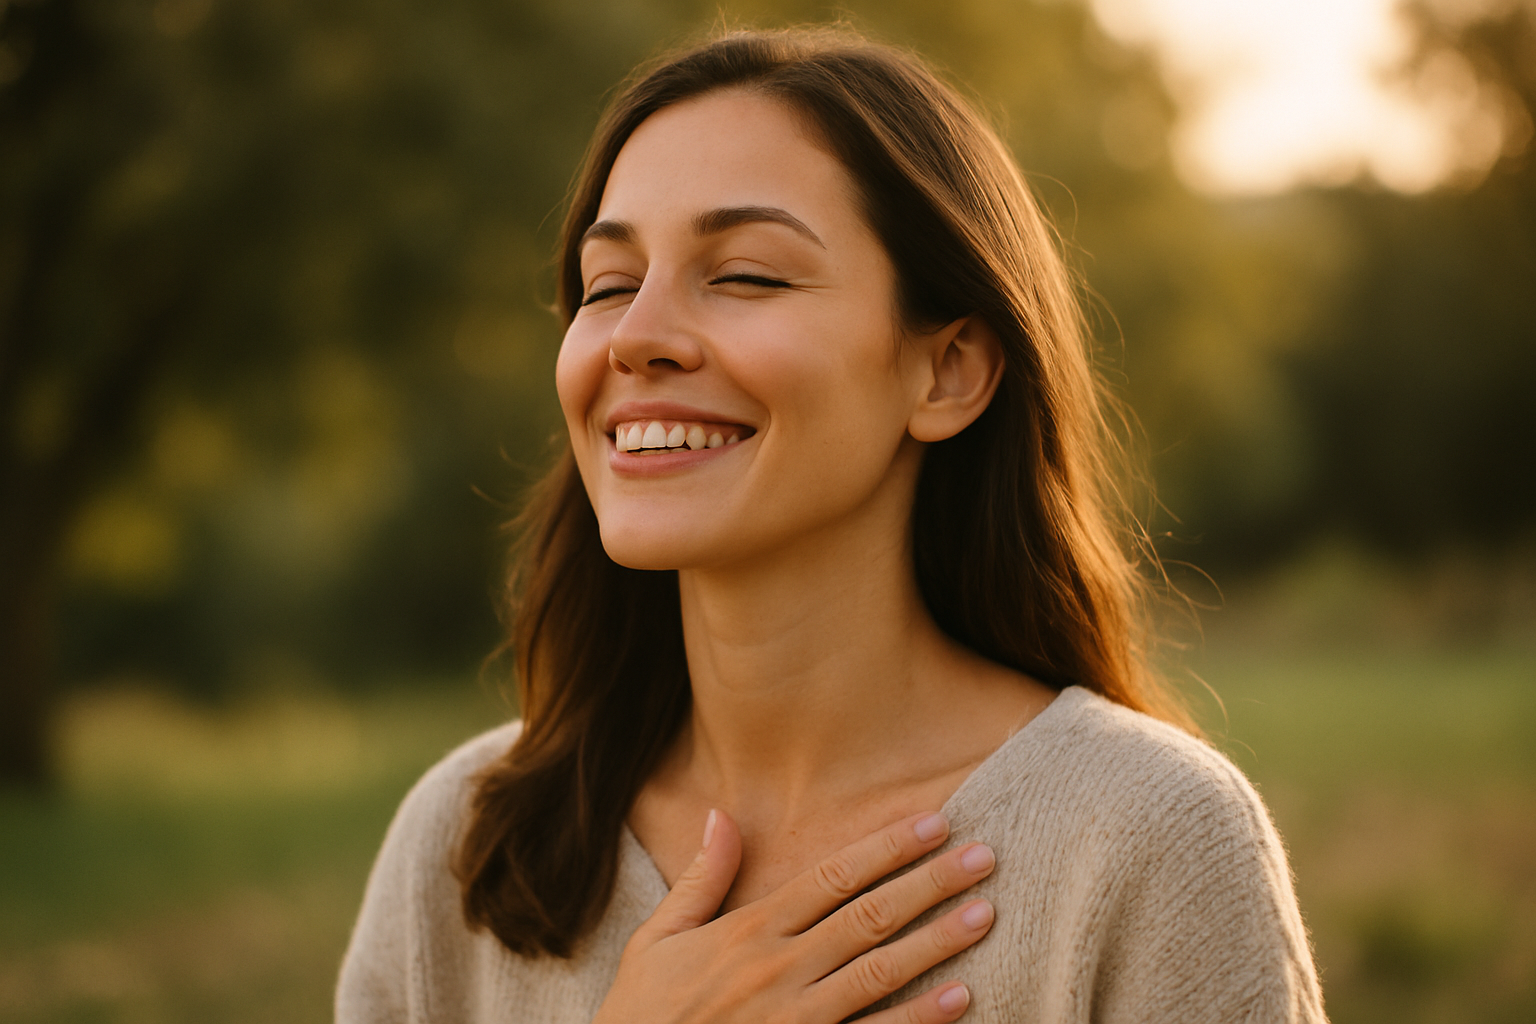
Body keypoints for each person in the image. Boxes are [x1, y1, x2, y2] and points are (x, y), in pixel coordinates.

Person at [336, 26, 1326, 1024]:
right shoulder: (465, 843)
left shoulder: (1147, 840)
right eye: (607, 285)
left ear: (947, 370)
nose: (635, 336)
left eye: (747, 275)